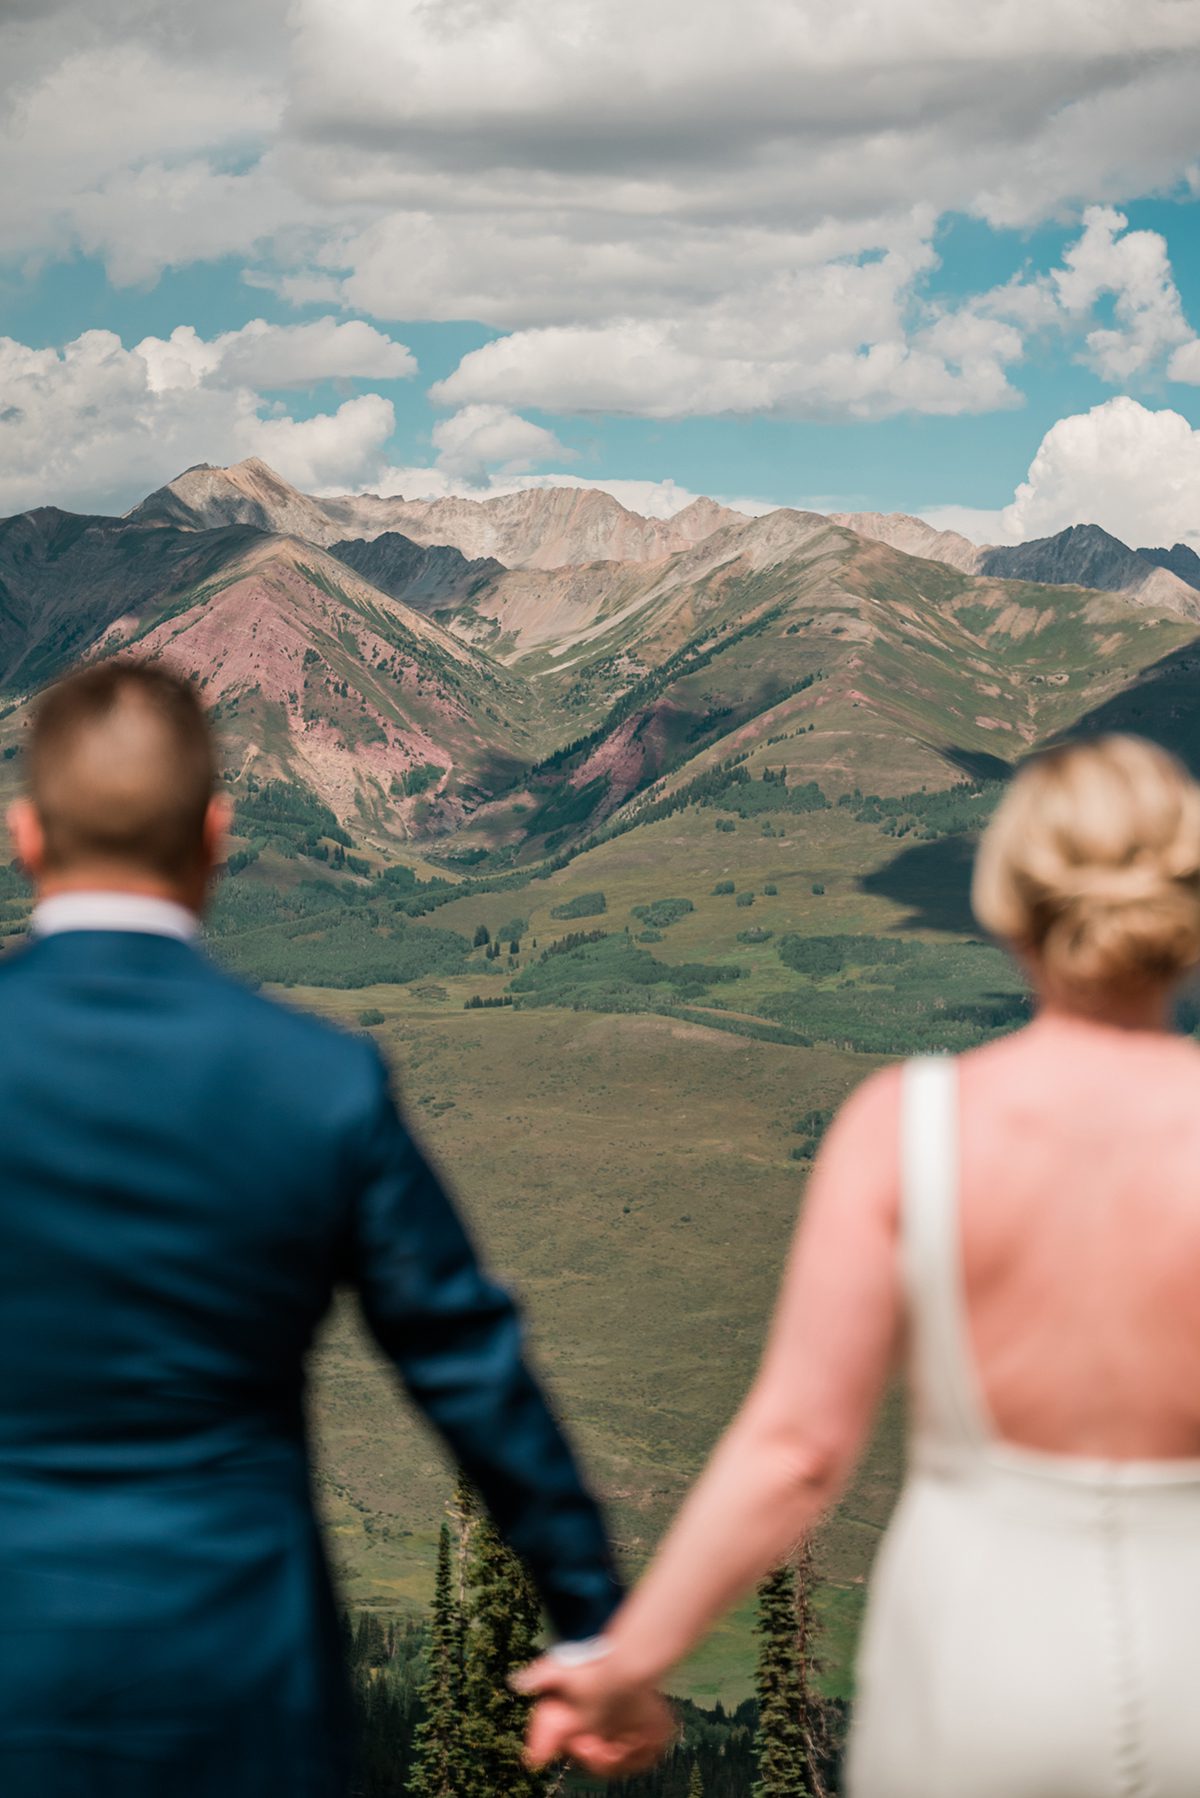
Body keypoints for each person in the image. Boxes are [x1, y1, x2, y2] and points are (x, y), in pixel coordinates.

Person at [0, 659, 663, 1796]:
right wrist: (595, 1625)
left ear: (26, 835)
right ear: (215, 836)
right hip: (243, 1672)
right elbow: (468, 1363)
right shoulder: (319, 1082)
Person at [520, 733, 1200, 1793]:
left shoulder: (913, 1125)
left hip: (978, 1663)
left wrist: (628, 1660)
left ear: (1008, 899)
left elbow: (797, 1449)